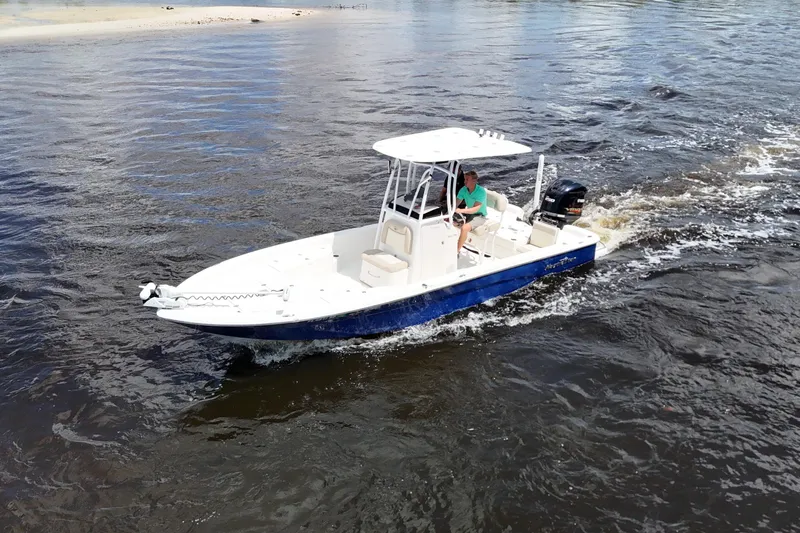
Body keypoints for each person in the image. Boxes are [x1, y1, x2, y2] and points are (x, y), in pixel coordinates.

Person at [455, 170, 487, 255]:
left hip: (479, 216)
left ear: (474, 181)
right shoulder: (463, 189)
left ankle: (456, 251)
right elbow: (456, 203)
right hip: (468, 214)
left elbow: (475, 209)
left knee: (464, 228)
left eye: (467, 180)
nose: (464, 182)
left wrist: (461, 210)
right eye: (464, 179)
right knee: (447, 220)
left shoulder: (481, 192)